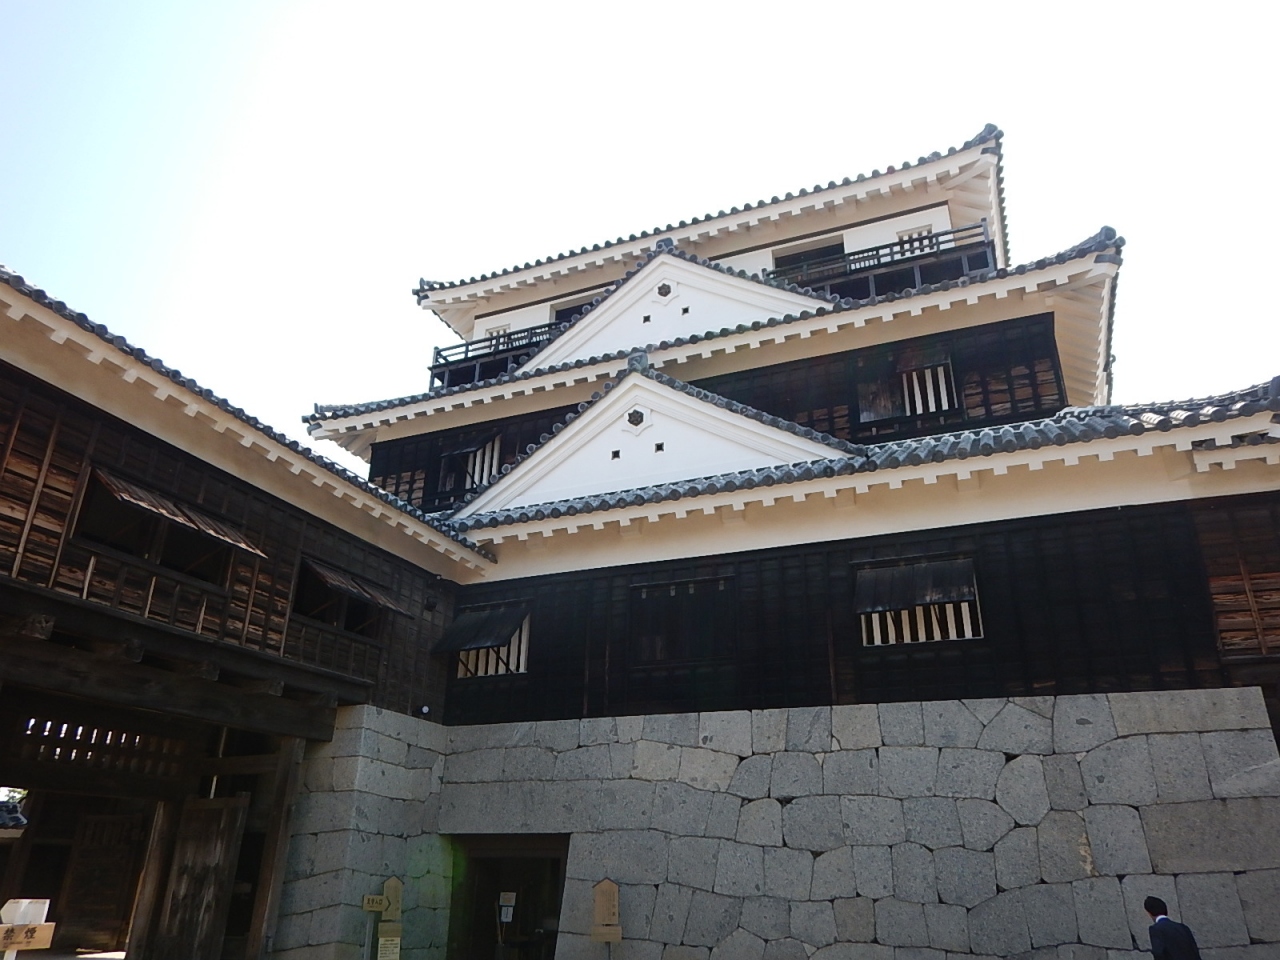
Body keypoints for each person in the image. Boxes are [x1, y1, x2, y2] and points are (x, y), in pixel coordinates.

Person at [1145, 896, 1201, 960]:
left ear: (1149, 913)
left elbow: (1159, 953)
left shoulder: (1156, 929)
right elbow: (1194, 951)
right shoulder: (1183, 927)